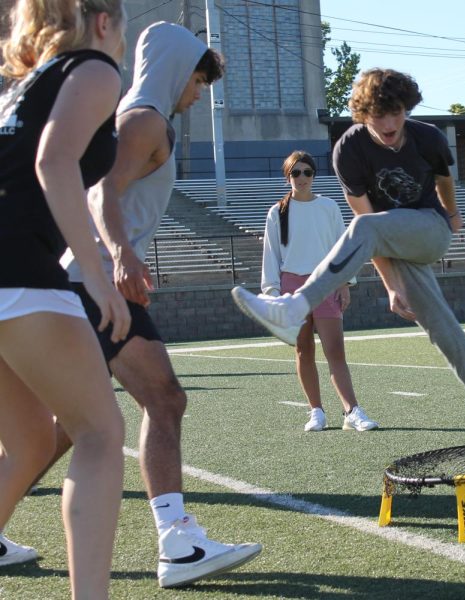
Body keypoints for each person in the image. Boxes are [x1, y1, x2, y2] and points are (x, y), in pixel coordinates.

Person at [232, 68, 465, 441]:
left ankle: (294, 307)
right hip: (388, 239)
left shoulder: (427, 137)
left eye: (397, 112)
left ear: (408, 108)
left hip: (428, 230)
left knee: (370, 232)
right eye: (378, 115)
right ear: (362, 114)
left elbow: (443, 181)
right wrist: (390, 285)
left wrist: (451, 214)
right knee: (443, 329)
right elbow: (365, 223)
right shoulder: (348, 150)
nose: (389, 123)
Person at [49, 22, 260, 589]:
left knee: (66, 429)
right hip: (93, 283)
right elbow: (101, 192)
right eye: (197, 82)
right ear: (177, 70)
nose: (197, 96)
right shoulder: (145, 119)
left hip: (79, 281)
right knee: (163, 400)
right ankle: (178, 543)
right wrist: (120, 257)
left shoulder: (133, 116)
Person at [0, 0, 131, 596]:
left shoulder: (24, 84)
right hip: (20, 274)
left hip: (9, 274)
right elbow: (53, 160)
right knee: (100, 436)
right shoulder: (96, 69)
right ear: (104, 20)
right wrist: (98, 276)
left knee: (28, 443)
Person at [260, 150, 377, 432]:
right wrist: (273, 293)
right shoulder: (277, 212)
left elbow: (341, 248)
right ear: (288, 176)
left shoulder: (329, 207)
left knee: (335, 350)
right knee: (303, 350)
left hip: (325, 284)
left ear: (314, 175)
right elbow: (271, 254)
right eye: (295, 173)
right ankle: (316, 412)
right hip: (292, 288)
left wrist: (345, 284)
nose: (302, 178)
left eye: (307, 172)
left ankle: (352, 411)